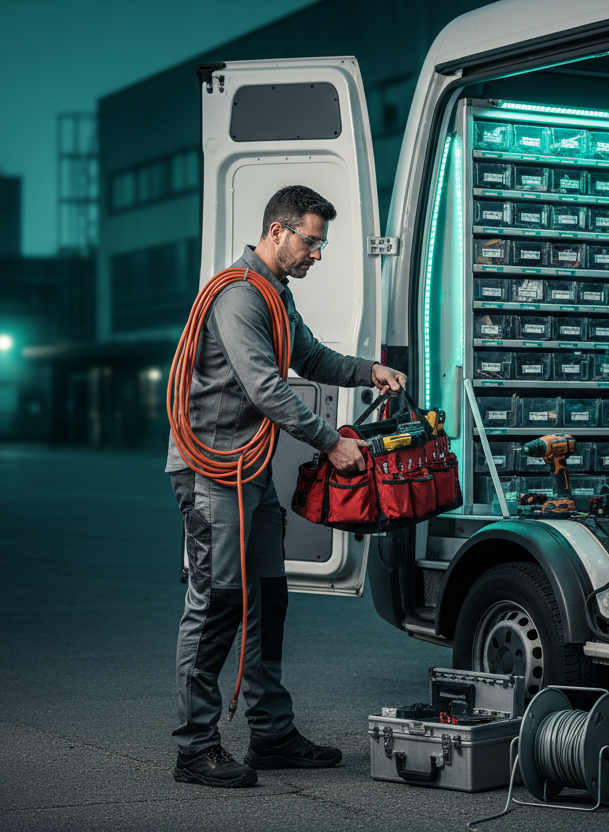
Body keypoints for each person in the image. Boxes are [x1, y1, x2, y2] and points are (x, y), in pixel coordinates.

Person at [166, 185, 406, 788]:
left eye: (322, 243)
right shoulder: (240, 298)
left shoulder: (276, 298)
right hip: (212, 473)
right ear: (278, 232)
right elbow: (266, 389)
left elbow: (311, 359)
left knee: (268, 598)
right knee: (218, 603)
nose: (318, 253)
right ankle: (195, 748)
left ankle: (270, 734)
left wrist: (367, 370)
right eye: (312, 240)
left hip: (249, 474)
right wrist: (332, 441)